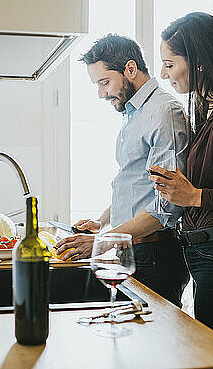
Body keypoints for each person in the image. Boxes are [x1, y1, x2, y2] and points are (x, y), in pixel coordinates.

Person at [60, 13, 213, 356]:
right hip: (206, 255)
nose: (164, 74)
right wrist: (106, 221)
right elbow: (154, 183)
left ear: (198, 62)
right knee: (211, 357)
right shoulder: (203, 107)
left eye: (169, 63)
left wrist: (195, 196)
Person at [57, 34, 190, 307]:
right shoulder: (134, 113)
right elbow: (134, 183)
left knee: (154, 344)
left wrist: (103, 241)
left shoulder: (163, 112)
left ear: (130, 69)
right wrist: (103, 222)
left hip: (155, 255)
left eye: (104, 82)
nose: (101, 93)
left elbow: (167, 205)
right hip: (137, 250)